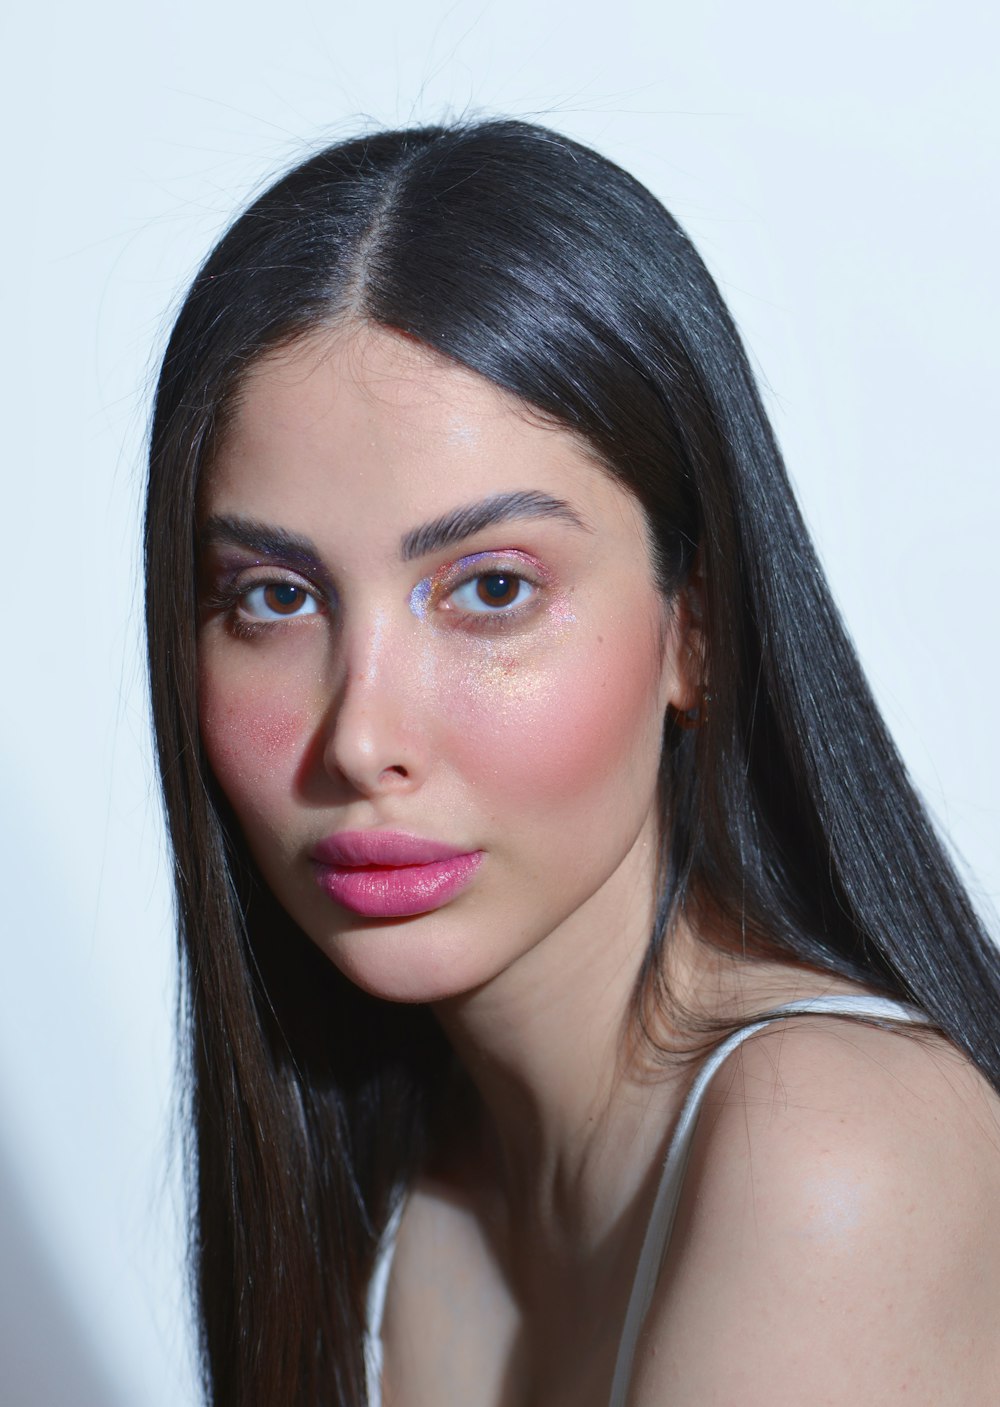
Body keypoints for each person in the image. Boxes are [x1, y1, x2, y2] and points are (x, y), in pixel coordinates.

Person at [145, 119, 1000, 1406]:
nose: (362, 738)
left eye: (489, 588)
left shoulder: (831, 1150)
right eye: (273, 600)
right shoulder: (403, 1189)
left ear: (695, 632)